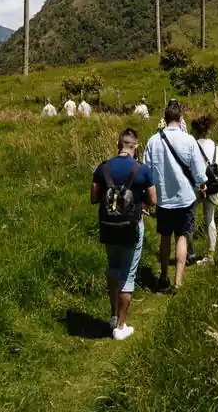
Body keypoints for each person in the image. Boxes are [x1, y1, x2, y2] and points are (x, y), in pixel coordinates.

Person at [91, 127, 156, 341]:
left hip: (108, 226)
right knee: (127, 273)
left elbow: (94, 197)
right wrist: (142, 203)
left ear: (118, 144)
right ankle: (120, 326)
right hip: (132, 226)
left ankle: (112, 315)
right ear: (135, 147)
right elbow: (153, 200)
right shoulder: (143, 170)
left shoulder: (103, 168)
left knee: (113, 268)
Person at [143, 100, 207, 292]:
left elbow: (146, 171)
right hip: (185, 197)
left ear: (164, 118)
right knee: (181, 237)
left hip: (162, 198)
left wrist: (147, 197)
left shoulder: (153, 141)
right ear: (180, 119)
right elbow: (198, 170)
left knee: (164, 237)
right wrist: (202, 184)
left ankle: (163, 276)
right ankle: (178, 281)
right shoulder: (188, 140)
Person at [191, 114, 218, 264]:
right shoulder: (215, 145)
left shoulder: (193, 145)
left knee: (188, 216)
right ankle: (211, 254)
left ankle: (189, 252)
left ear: (196, 130)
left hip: (197, 186)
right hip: (214, 185)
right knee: (210, 219)